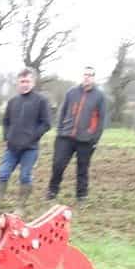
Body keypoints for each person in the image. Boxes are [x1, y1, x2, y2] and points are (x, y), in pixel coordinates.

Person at [0, 68, 51, 215]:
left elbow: (46, 123)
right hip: (12, 148)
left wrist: (32, 136)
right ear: (18, 83)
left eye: (27, 81)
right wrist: (7, 137)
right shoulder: (13, 101)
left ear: (33, 82)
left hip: (30, 148)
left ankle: (20, 207)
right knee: (2, 174)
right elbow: (6, 121)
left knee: (25, 176)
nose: (24, 84)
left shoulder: (41, 101)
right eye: (22, 81)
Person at [45, 66, 107, 203]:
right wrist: (60, 130)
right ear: (82, 76)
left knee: (82, 168)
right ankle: (52, 190)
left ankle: (81, 196)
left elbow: (101, 119)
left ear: (94, 78)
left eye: (90, 75)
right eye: (85, 74)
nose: (87, 77)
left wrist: (94, 138)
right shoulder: (71, 92)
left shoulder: (100, 96)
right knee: (58, 164)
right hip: (66, 136)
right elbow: (62, 111)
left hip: (86, 139)